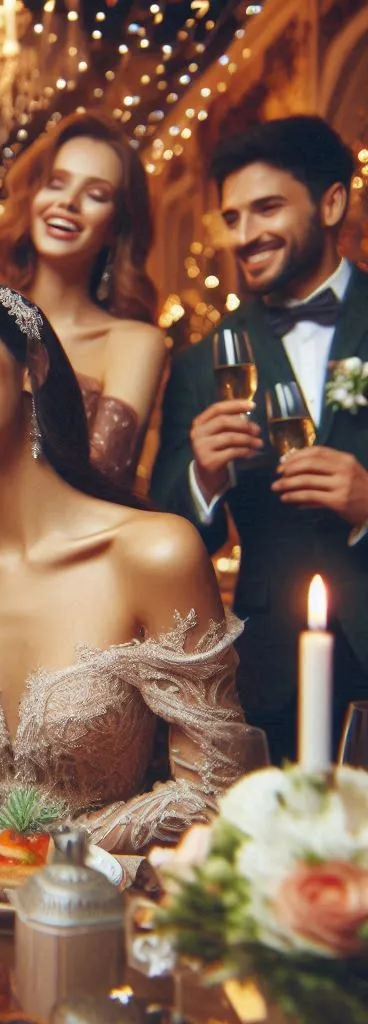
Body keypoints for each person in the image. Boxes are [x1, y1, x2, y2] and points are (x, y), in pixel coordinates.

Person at [0, 278, 245, 854]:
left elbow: (216, 791)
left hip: (101, 913)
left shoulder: (153, 552)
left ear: (32, 365)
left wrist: (34, 848)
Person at [150, 116, 368, 763]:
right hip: (269, 673)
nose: (245, 236)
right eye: (233, 217)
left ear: (331, 202)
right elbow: (167, 527)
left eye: (266, 209)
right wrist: (204, 478)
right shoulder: (200, 362)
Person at [0, 114, 166, 488]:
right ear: (33, 197)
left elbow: (104, 484)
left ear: (116, 228)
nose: (68, 202)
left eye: (96, 195)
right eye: (56, 183)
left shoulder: (135, 342)